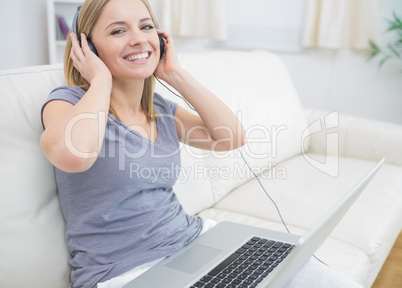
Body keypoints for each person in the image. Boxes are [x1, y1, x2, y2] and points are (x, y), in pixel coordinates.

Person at [40, 0, 363, 287]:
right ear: (88, 48)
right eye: (118, 31)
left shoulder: (161, 109)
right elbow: (74, 156)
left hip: (192, 241)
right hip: (123, 273)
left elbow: (231, 137)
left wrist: (176, 73)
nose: (139, 38)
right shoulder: (69, 103)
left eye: (146, 26)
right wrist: (100, 81)